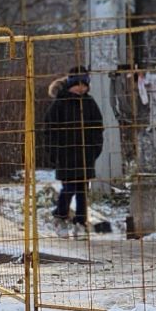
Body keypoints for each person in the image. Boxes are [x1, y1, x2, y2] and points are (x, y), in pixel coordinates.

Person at [44, 67, 104, 227]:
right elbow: (49, 130)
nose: (81, 88)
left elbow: (98, 128)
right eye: (77, 84)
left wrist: (95, 149)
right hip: (66, 155)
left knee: (82, 189)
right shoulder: (60, 104)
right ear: (70, 84)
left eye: (84, 85)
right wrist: (54, 152)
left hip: (85, 154)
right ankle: (61, 214)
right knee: (69, 187)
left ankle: (81, 219)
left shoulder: (89, 103)